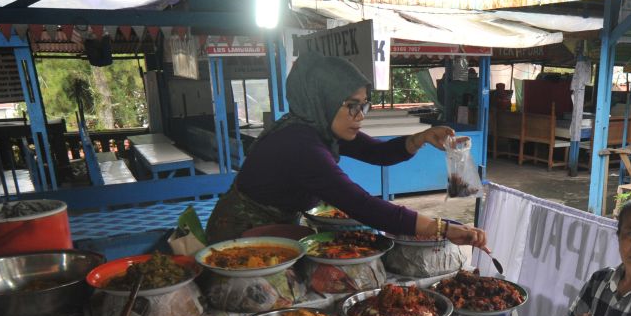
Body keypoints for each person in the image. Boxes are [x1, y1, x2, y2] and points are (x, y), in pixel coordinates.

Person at [207, 50, 487, 249]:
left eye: (363, 105)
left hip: (276, 226)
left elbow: (380, 153)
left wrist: (422, 137)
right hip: (237, 236)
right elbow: (362, 206)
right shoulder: (300, 145)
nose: (360, 115)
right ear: (323, 99)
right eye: (352, 105)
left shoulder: (320, 127)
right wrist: (444, 229)